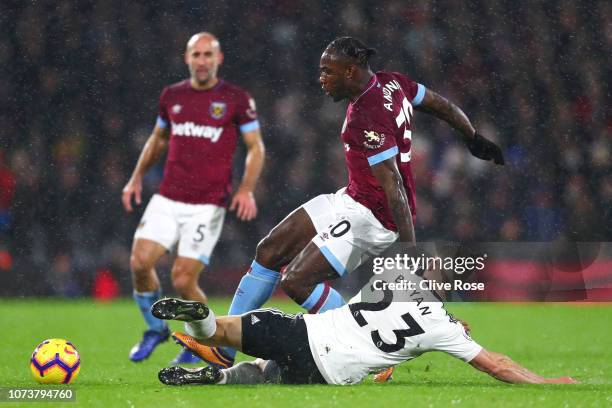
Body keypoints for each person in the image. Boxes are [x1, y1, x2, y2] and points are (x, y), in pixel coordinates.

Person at [195, 36, 504, 374]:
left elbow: (394, 186)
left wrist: (409, 248)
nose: (321, 79)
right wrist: (472, 136)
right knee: (269, 250)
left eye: (328, 72)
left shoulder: (366, 117)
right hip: (353, 197)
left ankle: (363, 342)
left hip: (373, 216)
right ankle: (223, 350)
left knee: (297, 282)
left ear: (350, 70)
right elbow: (440, 104)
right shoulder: (392, 82)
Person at [122, 32, 265, 363]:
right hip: (168, 198)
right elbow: (158, 139)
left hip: (207, 205)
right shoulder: (172, 96)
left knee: (183, 279)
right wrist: (136, 177)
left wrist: (246, 188)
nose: (202, 61)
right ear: (187, 59)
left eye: (207, 55)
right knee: (140, 262)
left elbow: (256, 146)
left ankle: (203, 344)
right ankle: (156, 328)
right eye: (196, 55)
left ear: (219, 59)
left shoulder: (235, 99)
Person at [150, 296, 577, 386]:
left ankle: (200, 315)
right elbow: (497, 365)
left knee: (223, 329)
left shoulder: (392, 283)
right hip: (328, 372)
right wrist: (546, 384)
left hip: (303, 330)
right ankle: (217, 379)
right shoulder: (442, 331)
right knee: (269, 376)